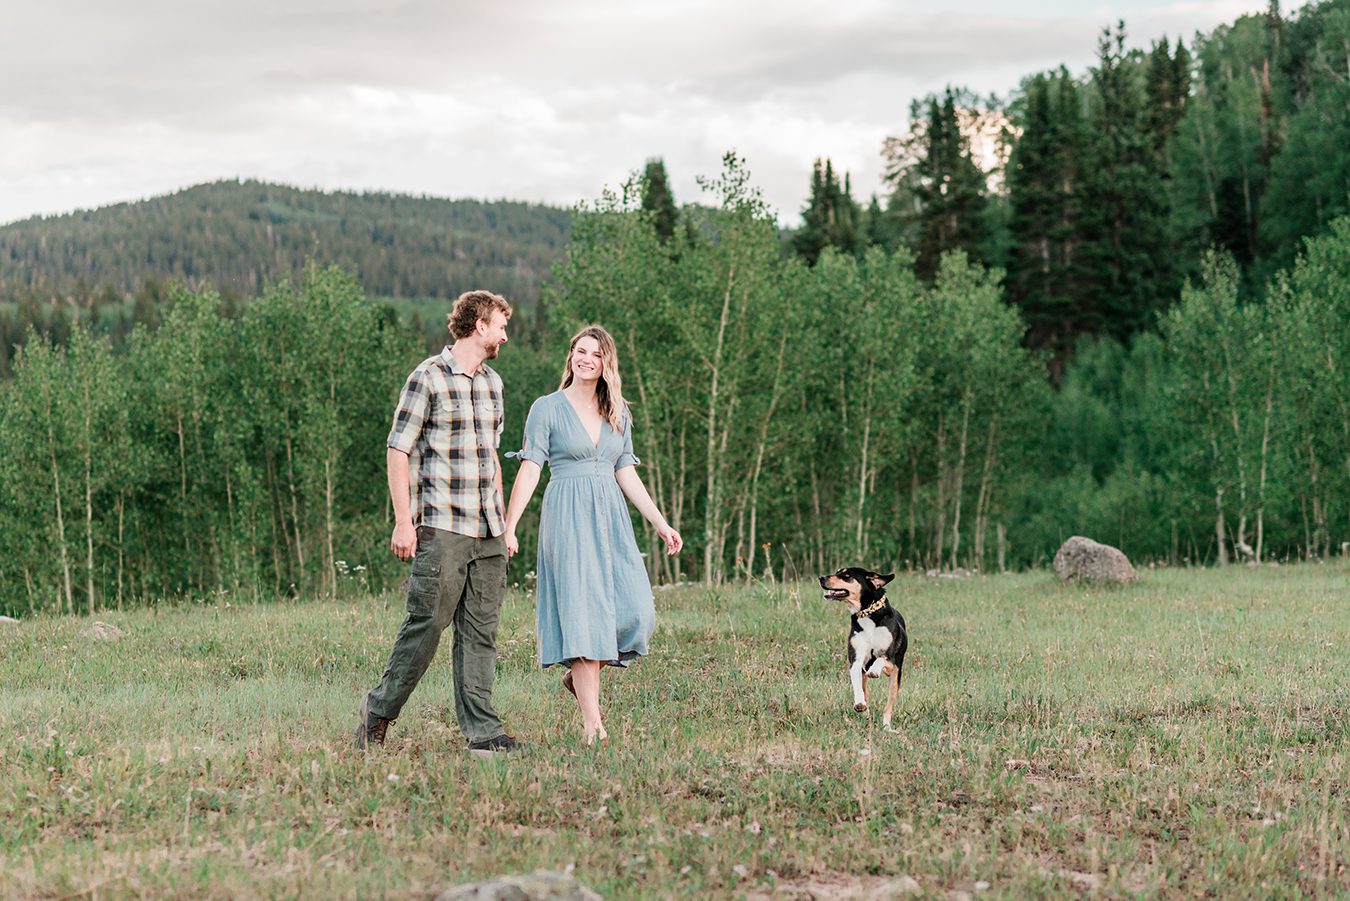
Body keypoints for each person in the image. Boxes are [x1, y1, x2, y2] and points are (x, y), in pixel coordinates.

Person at [354, 289, 519, 756]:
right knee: (427, 624)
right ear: (479, 324)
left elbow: (493, 458)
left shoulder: (493, 384)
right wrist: (403, 522)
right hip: (443, 524)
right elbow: (397, 449)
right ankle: (378, 711)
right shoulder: (427, 377)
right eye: (500, 324)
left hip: (488, 528)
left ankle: (483, 733)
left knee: (481, 630)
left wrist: (504, 523)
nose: (505, 334)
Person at [503, 325, 682, 745]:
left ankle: (578, 679)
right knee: (583, 617)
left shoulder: (618, 411)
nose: (586, 359)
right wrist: (509, 527)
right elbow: (530, 469)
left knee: (636, 612)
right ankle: (592, 724)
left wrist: (660, 522)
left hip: (611, 519)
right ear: (570, 357)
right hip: (567, 515)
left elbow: (626, 472)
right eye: (580, 351)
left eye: (595, 354)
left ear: (606, 364)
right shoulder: (546, 408)